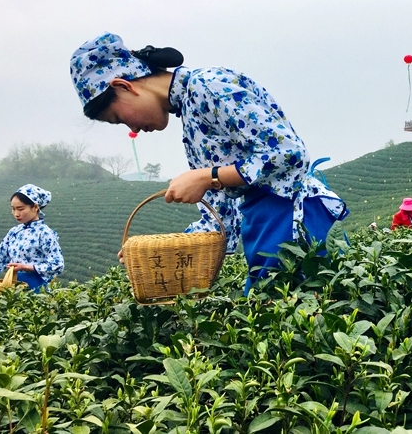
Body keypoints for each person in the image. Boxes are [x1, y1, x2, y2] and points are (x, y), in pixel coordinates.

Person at [70, 33, 348, 295]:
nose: (131, 127)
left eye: (119, 118)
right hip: (263, 224)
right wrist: (163, 250)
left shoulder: (209, 86)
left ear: (123, 86)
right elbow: (221, 214)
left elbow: (288, 152)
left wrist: (207, 176)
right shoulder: (190, 116)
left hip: (290, 216)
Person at [0, 185, 64, 291]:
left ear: (35, 207)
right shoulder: (14, 232)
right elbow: (0, 255)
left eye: (20, 209)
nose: (16, 214)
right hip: (14, 285)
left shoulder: (44, 233)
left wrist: (25, 267)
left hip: (36, 287)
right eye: (13, 209)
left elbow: (57, 264)